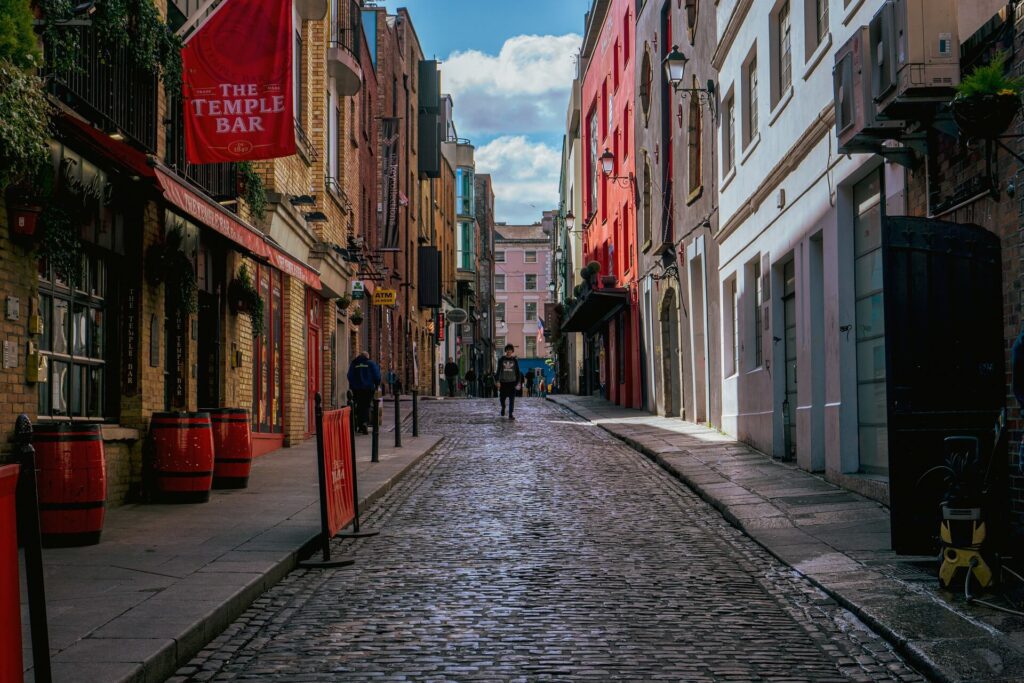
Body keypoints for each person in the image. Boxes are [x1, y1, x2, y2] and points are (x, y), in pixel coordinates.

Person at [347, 351, 381, 434]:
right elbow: (377, 375)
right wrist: (376, 385)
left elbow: (349, 375)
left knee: (358, 406)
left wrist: (353, 385)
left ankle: (359, 424)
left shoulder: (354, 363)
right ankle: (364, 422)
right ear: (367, 356)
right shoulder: (371, 363)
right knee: (366, 405)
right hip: (368, 389)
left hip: (356, 389)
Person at [495, 344, 523, 420]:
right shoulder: (501, 360)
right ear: (506, 351)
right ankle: (503, 407)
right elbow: (498, 371)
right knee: (502, 399)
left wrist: (518, 382)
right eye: (507, 350)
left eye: (510, 350)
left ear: (512, 351)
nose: (509, 351)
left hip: (512, 383)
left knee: (512, 399)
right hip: (503, 383)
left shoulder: (514, 360)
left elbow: (518, 372)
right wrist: (497, 381)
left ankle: (510, 414)